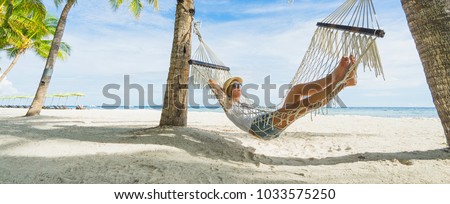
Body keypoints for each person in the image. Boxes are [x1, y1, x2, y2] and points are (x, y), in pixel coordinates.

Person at [209, 55, 357, 140]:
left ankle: (335, 77)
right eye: (234, 86)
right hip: (260, 126)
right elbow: (213, 85)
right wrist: (217, 85)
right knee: (304, 104)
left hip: (267, 119)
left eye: (239, 85)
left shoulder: (244, 99)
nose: (238, 87)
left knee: (296, 90)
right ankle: (342, 82)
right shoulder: (228, 104)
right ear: (227, 91)